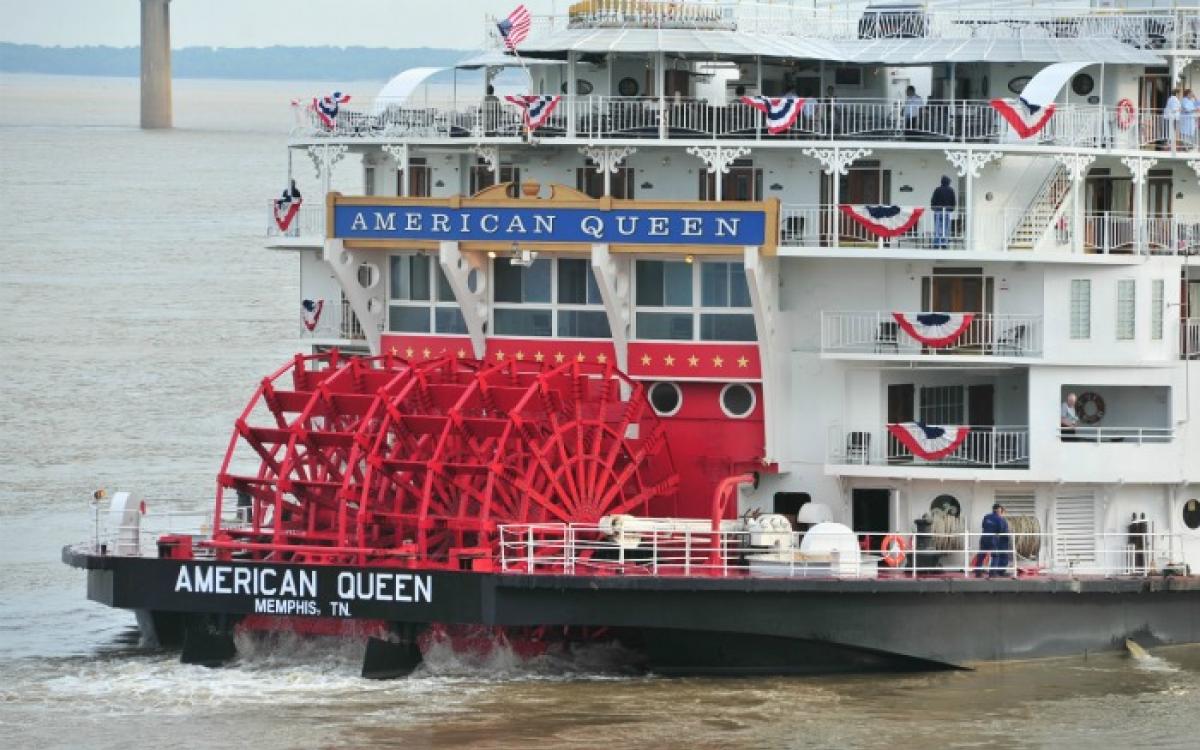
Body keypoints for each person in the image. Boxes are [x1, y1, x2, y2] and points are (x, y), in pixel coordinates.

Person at [979, 504, 1011, 578]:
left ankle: (978, 572)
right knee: (995, 555)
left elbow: (983, 526)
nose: (1001, 512)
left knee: (981, 555)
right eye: (1001, 510)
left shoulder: (986, 517)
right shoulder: (1000, 519)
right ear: (998, 510)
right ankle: (992, 573)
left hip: (984, 538)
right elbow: (1001, 530)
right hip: (993, 539)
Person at [930, 176, 956, 248]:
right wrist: (951, 209)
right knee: (946, 227)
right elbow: (953, 202)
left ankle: (937, 243)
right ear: (948, 182)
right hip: (947, 211)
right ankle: (944, 243)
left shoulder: (937, 190)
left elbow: (933, 200)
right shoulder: (951, 190)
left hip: (938, 211)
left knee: (937, 227)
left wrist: (933, 208)